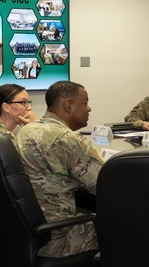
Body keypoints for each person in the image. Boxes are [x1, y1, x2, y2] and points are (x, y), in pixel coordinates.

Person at [15, 81, 102, 257]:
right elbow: (105, 184)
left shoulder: (26, 130)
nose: (89, 108)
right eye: (85, 103)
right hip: (57, 238)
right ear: (68, 105)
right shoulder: (66, 138)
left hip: (26, 231)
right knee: (127, 227)